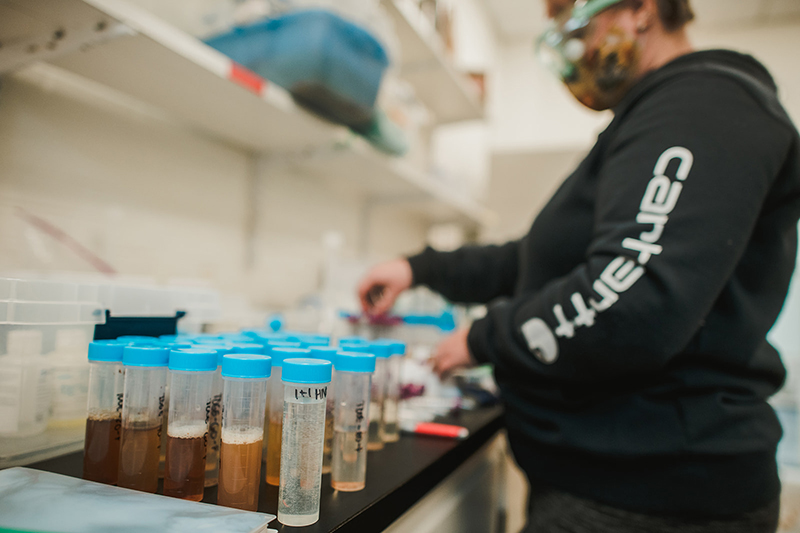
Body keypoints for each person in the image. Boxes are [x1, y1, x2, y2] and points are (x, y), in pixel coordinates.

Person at [357, 0, 800, 531]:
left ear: (641, 9)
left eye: (568, 11)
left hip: (650, 498)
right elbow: (536, 259)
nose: (562, 38)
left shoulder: (701, 107)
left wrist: (485, 338)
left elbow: (634, 299)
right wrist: (418, 268)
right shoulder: (652, 117)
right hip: (611, 484)